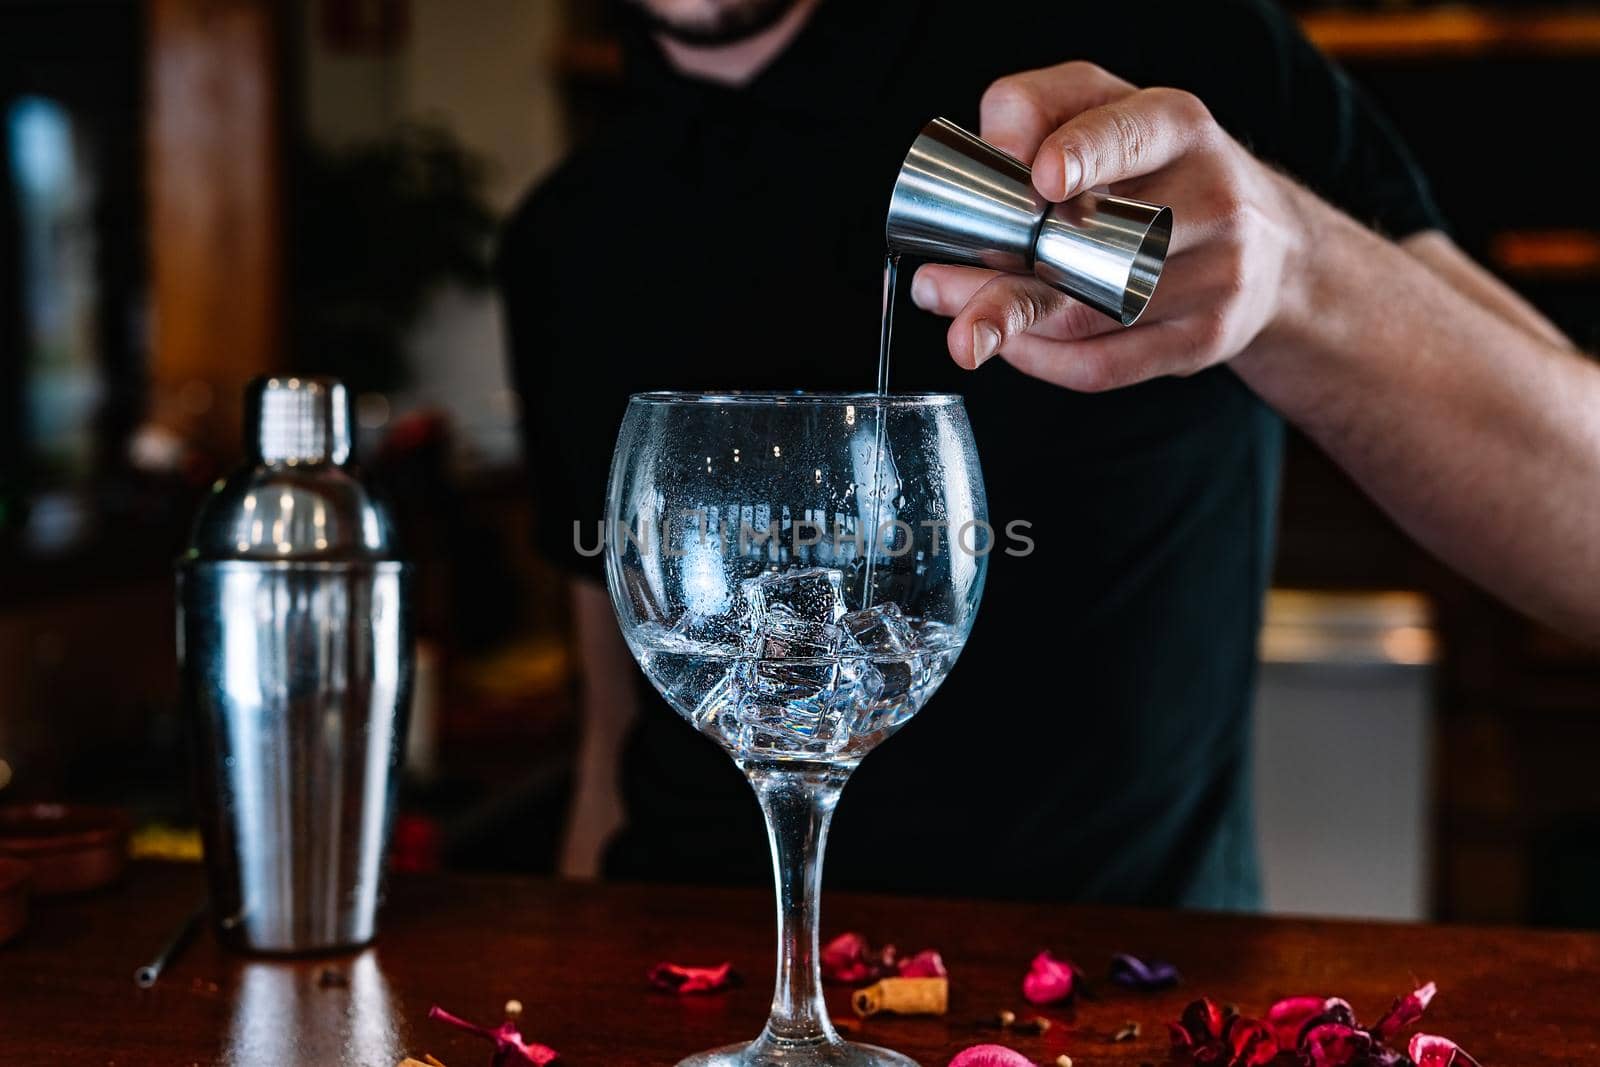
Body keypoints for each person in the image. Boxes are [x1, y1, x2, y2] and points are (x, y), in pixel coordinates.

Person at [498, 0, 1587, 908]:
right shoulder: (564, 236)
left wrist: (1298, 273)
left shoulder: (1166, 53)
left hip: (1117, 1001)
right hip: (686, 1001)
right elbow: (620, 728)